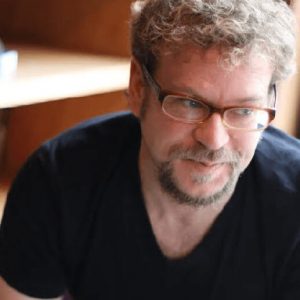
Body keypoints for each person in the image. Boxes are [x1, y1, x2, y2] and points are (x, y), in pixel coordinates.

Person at [0, 0, 299, 299]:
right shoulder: (57, 179)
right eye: (189, 103)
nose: (214, 140)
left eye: (244, 110)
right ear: (138, 86)